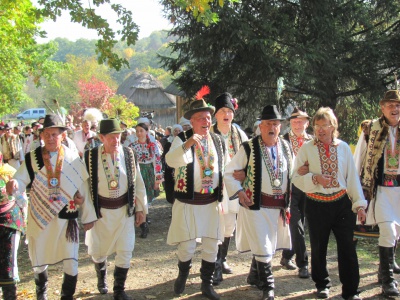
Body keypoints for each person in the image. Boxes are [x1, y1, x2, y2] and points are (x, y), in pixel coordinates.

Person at [6, 114, 97, 300]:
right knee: (39, 259)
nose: (49, 138)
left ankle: (67, 296)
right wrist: (15, 184)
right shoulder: (33, 157)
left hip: (66, 218)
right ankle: (42, 293)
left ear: (63, 136)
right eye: (46, 134)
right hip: (40, 216)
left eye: (54, 134)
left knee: (71, 261)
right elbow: (21, 179)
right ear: (41, 136)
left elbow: (83, 190)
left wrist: (88, 216)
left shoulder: (72, 158)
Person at [291, 107, 367, 299]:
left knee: (348, 248)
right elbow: (295, 178)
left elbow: (352, 179)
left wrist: (359, 204)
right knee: (318, 247)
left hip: (341, 204)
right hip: (317, 205)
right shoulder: (306, 149)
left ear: (333, 126)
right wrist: (315, 178)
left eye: (325, 125)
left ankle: (350, 290)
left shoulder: (343, 148)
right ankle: (322, 284)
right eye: (317, 126)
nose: (321, 130)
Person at [223, 105, 292, 300]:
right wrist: (239, 190)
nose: (272, 127)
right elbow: (229, 172)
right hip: (256, 205)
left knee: (270, 244)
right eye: (268, 124)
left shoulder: (286, 147)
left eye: (276, 124)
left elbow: (292, 173)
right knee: (263, 244)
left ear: (280, 126)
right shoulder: (249, 147)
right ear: (260, 126)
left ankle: (254, 275)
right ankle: (268, 287)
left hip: (278, 206)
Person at [166, 94, 228, 300]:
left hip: (211, 203)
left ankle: (206, 285)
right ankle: (183, 273)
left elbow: (226, 168)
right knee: (187, 246)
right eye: (201, 118)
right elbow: (171, 160)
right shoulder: (181, 139)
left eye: (208, 117)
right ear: (191, 121)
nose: (206, 121)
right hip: (188, 203)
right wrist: (188, 143)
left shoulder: (218, 141)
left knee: (212, 245)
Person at [84, 118, 147, 300]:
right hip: (100, 213)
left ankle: (119, 289)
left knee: (126, 250)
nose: (115, 140)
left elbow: (138, 182)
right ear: (101, 137)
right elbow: (85, 187)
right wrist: (88, 214)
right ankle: (101, 277)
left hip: (124, 212)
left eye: (118, 136)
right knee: (98, 252)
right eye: (111, 137)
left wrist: (141, 209)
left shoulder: (129, 154)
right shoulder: (90, 156)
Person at [353, 89, 400, 297]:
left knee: (396, 232)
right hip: (380, 189)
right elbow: (359, 159)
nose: (395, 109)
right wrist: (356, 192)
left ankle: (383, 270)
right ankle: (388, 281)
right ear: (382, 108)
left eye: (398, 105)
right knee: (388, 230)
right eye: (390, 105)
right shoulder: (370, 129)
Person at [210, 92, 248, 285]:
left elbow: (249, 159)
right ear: (215, 114)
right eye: (222, 111)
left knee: (229, 226)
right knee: (217, 224)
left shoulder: (239, 134)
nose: (226, 114)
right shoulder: (208, 134)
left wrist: (245, 172)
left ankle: (222, 259)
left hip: (233, 185)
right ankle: (215, 265)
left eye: (229, 111)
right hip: (215, 187)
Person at [280, 107, 313, 278]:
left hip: (309, 187)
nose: (297, 124)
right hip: (290, 187)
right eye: (294, 122)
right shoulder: (283, 140)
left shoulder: (313, 141)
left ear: (307, 123)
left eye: (301, 121)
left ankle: (287, 255)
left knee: (302, 223)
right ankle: (303, 263)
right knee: (295, 223)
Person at [124, 123, 163, 238]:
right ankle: (143, 223)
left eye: (141, 131)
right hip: (137, 172)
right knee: (138, 197)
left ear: (147, 132)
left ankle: (143, 220)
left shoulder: (153, 145)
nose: (139, 133)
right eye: (137, 131)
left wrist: (157, 180)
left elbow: (157, 162)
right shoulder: (132, 146)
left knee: (146, 198)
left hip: (149, 172)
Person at [0, 151, 26, 300]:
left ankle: (10, 296)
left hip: (9, 221)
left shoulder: (10, 173)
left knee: (9, 262)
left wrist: (25, 223)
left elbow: (22, 201)